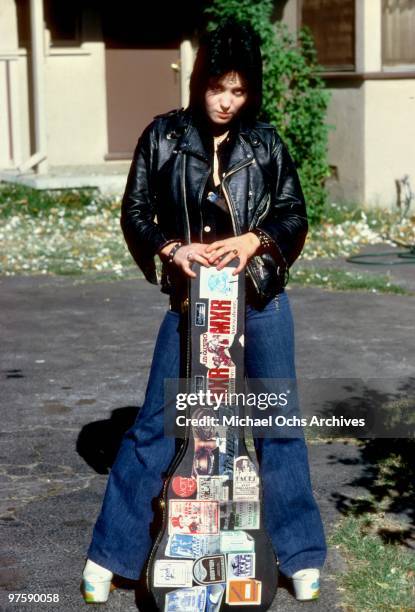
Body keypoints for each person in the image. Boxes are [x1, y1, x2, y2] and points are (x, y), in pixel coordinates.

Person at [81, 19, 327, 605]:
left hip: (261, 302)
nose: (226, 101)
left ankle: (300, 557)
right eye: (218, 87)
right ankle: (109, 555)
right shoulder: (163, 137)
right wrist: (173, 249)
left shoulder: (265, 143)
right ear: (200, 81)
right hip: (193, 304)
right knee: (155, 424)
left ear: (252, 92)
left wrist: (254, 242)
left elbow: (294, 215)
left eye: (239, 91)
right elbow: (136, 213)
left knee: (278, 423)